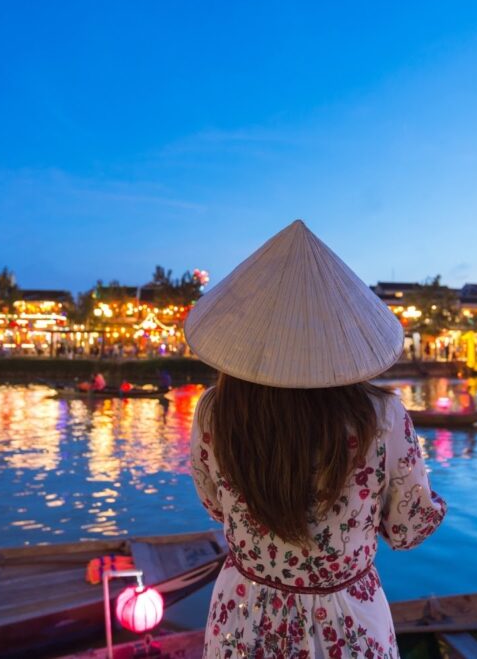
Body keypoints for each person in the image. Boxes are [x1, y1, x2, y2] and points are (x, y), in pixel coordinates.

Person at [186, 221, 446, 658]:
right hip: (347, 625)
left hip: (245, 617)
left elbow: (214, 505)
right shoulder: (381, 415)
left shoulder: (215, 410)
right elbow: (406, 529)